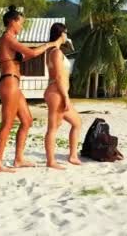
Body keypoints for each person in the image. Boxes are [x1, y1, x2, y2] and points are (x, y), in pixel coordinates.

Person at [0, 6, 65, 173]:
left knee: (27, 121)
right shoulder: (7, 38)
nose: (21, 27)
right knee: (7, 124)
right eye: (21, 23)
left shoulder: (10, 40)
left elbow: (25, 55)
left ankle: (18, 159)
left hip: (13, 83)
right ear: (12, 22)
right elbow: (31, 54)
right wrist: (51, 44)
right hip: (9, 82)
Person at [43, 23, 82, 170]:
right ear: (61, 34)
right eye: (66, 33)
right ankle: (51, 161)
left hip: (56, 92)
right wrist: (65, 96)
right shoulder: (56, 53)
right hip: (57, 92)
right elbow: (59, 76)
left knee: (76, 122)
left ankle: (72, 155)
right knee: (53, 127)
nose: (67, 36)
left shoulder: (54, 52)